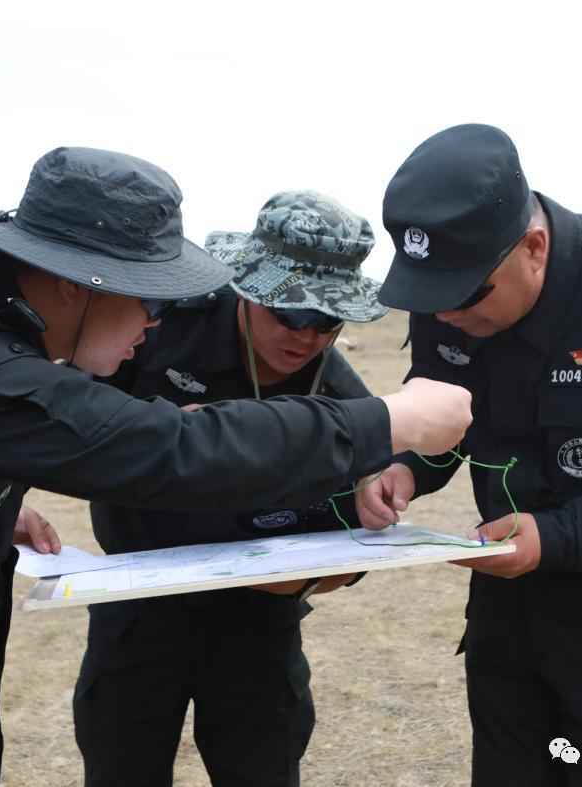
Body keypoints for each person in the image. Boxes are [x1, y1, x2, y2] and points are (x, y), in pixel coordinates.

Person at [0, 146, 473, 787]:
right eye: (152, 302)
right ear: (79, 284)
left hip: (243, 633)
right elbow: (170, 448)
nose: (154, 324)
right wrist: (388, 420)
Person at [357, 124, 582, 786]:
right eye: (430, 295)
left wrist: (557, 535)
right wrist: (405, 469)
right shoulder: (449, 286)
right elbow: (447, 408)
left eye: (464, 295)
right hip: (507, 623)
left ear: (534, 248)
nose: (444, 313)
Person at [74, 190, 387, 787]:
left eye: (328, 320)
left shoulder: (344, 399)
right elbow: (66, 413)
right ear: (248, 287)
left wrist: (320, 575)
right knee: (121, 765)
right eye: (291, 313)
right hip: (140, 605)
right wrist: (158, 431)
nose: (308, 336)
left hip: (258, 622)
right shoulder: (161, 324)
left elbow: (355, 530)